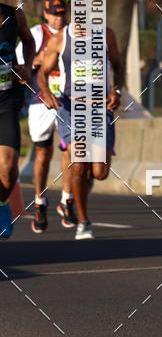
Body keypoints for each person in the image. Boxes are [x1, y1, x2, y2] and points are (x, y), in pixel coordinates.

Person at [37, 18, 124, 240]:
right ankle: (83, 222)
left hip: (99, 108)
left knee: (100, 172)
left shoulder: (106, 35)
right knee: (78, 166)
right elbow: (42, 73)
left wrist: (117, 91)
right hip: (71, 107)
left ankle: (84, 183)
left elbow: (118, 66)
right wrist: (46, 92)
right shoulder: (60, 39)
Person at [16, 0, 75, 233]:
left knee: (71, 149)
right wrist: (36, 61)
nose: (59, 18)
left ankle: (67, 199)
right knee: (42, 154)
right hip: (40, 101)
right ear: (46, 14)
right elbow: (19, 68)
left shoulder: (73, 34)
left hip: (67, 101)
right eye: (55, 14)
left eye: (62, 13)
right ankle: (40, 201)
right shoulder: (37, 34)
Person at [0, 0, 35, 238]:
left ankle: (1, 204)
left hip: (7, 99)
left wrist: (28, 67)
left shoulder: (14, 15)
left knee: (9, 166)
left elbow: (28, 39)